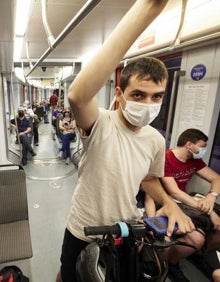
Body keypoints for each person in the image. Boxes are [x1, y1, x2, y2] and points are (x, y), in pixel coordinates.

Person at [56, 1, 194, 281]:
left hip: (125, 228)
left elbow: (149, 179)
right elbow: (78, 96)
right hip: (83, 227)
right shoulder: (101, 122)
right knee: (70, 274)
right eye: (139, 95)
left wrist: (168, 202)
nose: (148, 103)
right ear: (119, 94)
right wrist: (148, 9)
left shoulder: (155, 139)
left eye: (157, 97)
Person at [160, 128, 220, 281]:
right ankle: (171, 263)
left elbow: (216, 178)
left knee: (219, 227)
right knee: (197, 238)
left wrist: (211, 197)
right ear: (189, 145)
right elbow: (174, 192)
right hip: (168, 202)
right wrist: (209, 211)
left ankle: (197, 254)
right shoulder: (166, 158)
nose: (204, 149)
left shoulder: (195, 160)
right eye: (202, 146)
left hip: (186, 201)